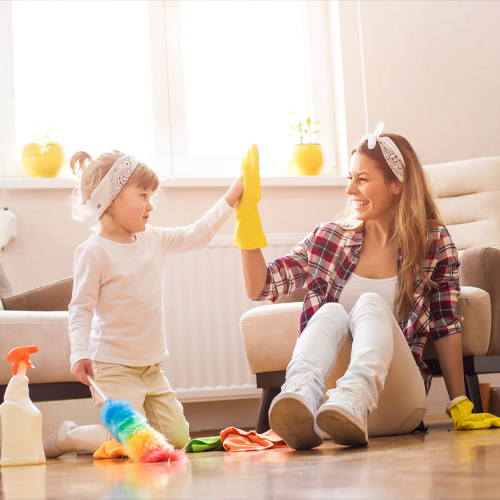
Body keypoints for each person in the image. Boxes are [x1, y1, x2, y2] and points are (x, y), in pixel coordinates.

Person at [238, 122, 499, 451]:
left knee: (370, 304)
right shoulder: (328, 239)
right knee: (330, 312)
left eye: (362, 179)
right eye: (350, 178)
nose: (350, 189)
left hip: (396, 404)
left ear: (396, 184)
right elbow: (261, 287)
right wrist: (247, 218)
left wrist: (460, 403)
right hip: (327, 411)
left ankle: (356, 395)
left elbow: (445, 323)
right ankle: (299, 394)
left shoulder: (432, 242)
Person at [43, 150, 243, 458]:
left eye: (151, 196)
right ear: (111, 200)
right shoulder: (94, 252)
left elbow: (197, 234)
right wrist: (80, 352)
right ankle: (67, 436)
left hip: (151, 368)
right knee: (129, 441)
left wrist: (231, 198)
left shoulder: (154, 239)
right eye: (143, 196)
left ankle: (131, 430)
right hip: (112, 368)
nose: (151, 205)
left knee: (177, 438)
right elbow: (80, 308)